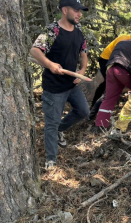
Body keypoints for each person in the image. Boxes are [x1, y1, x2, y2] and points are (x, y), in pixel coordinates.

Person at [30, 0, 89, 169]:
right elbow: (35, 50)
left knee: (83, 111)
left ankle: (60, 129)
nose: (79, 14)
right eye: (76, 10)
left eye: (81, 11)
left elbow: (83, 53)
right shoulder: (53, 30)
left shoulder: (78, 31)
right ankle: (51, 160)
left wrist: (82, 71)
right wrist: (50, 65)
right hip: (54, 87)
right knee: (51, 123)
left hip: (71, 84)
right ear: (65, 10)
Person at [88, 26, 131, 120]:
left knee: (108, 86)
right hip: (107, 60)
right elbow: (119, 54)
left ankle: (95, 110)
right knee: (107, 86)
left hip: (117, 62)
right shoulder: (124, 39)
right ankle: (93, 109)